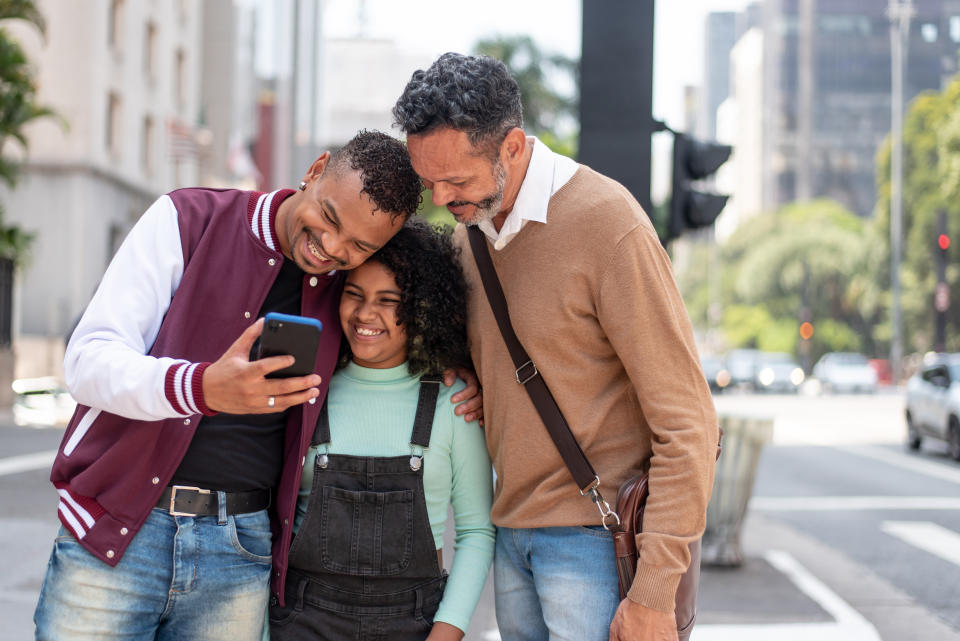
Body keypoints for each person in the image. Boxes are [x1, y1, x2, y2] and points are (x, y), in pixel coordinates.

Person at [34, 130, 483, 641]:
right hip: (121, 528)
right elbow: (88, 361)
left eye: (359, 246)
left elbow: (396, 315)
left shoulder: (346, 287)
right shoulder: (188, 220)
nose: (331, 249)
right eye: (330, 219)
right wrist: (201, 387)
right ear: (314, 171)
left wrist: (451, 360)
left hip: (241, 552)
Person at [393, 54, 720, 641]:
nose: (441, 198)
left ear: (512, 147)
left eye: (457, 180)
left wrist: (654, 591)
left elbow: (689, 423)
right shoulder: (472, 236)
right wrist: (471, 380)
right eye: (429, 182)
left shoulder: (609, 225)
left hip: (598, 543)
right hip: (509, 534)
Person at [269, 218, 494, 641]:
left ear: (421, 308)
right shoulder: (308, 390)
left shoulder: (453, 402)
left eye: (388, 301)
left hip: (416, 626)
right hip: (301, 622)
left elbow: (477, 531)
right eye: (354, 294)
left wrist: (447, 632)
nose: (365, 314)